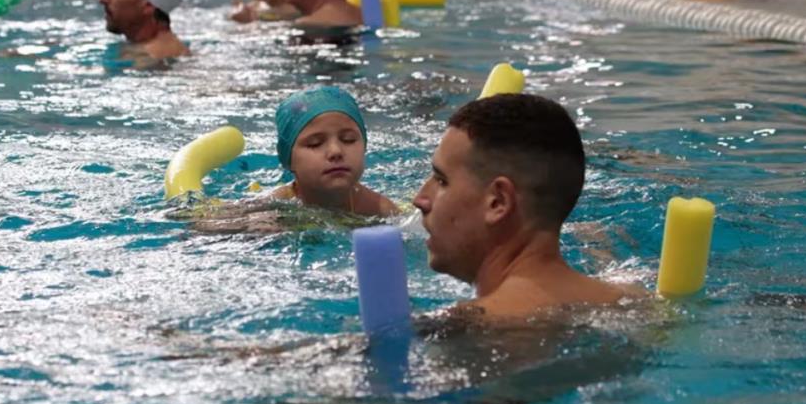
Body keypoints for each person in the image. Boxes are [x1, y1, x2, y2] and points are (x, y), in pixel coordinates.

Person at [413, 94, 644, 319]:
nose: (420, 199)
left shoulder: (460, 327)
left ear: (498, 202)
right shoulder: (635, 303)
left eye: (442, 180)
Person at [273, 87, 398, 217]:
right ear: (288, 159)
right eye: (315, 144)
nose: (336, 151)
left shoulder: (381, 211)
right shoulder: (271, 212)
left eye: (348, 140)